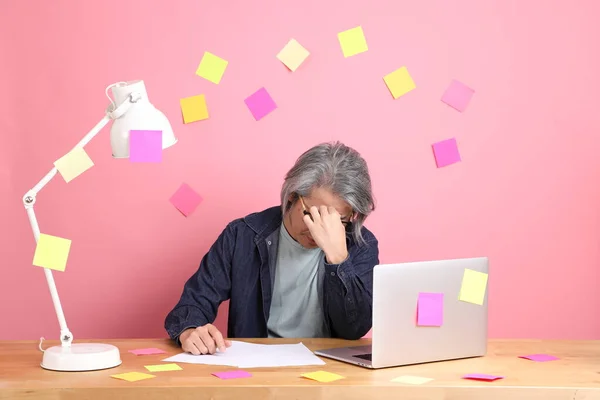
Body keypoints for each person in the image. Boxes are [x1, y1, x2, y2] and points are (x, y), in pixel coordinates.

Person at [164, 141, 379, 355]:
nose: (318, 230)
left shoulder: (360, 245)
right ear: (292, 197)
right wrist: (191, 330)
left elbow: (355, 329)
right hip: (256, 369)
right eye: (312, 215)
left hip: (329, 372)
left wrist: (339, 259)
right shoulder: (243, 235)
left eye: (336, 220)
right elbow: (192, 304)